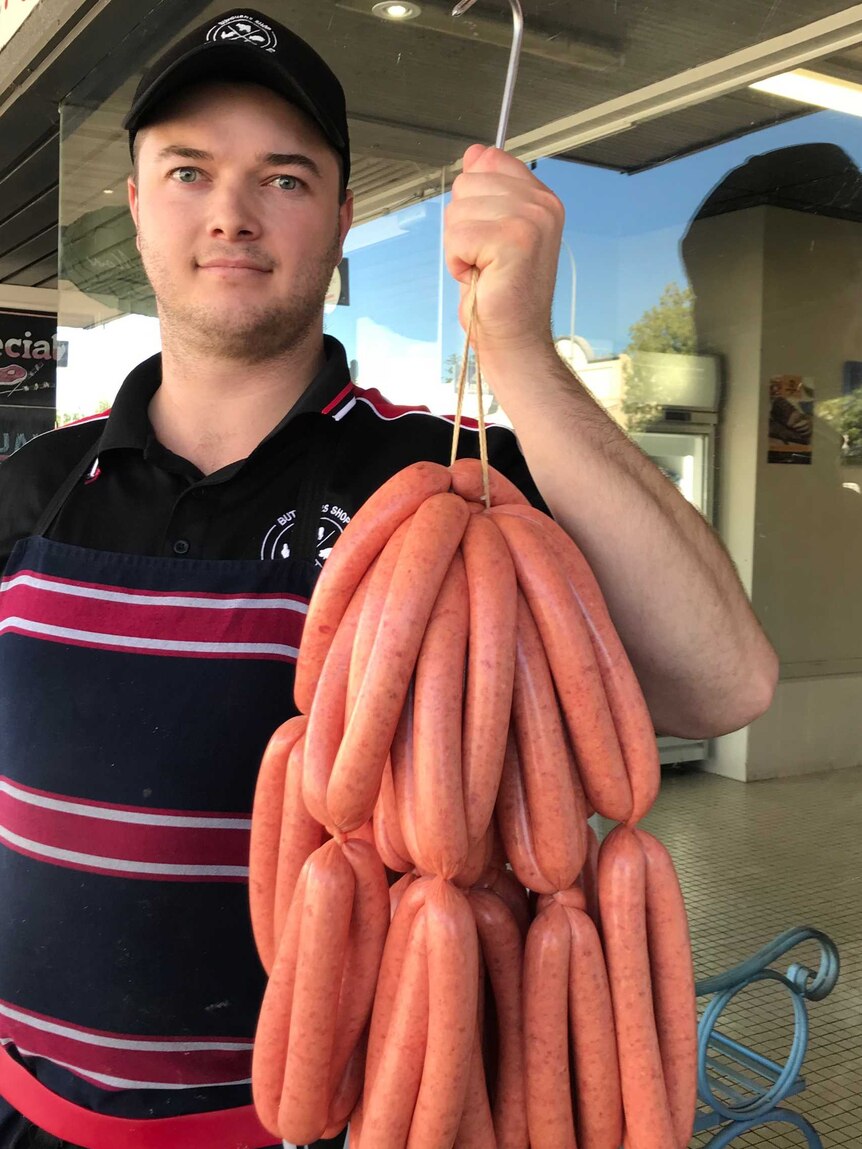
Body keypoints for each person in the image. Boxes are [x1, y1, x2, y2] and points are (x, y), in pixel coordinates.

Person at [0, 8, 778, 1149]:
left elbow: (723, 687)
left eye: (285, 176)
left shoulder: (446, 487)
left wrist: (516, 348)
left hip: (342, 1126)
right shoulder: (31, 488)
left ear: (345, 219)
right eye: (188, 171)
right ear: (133, 205)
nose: (231, 210)